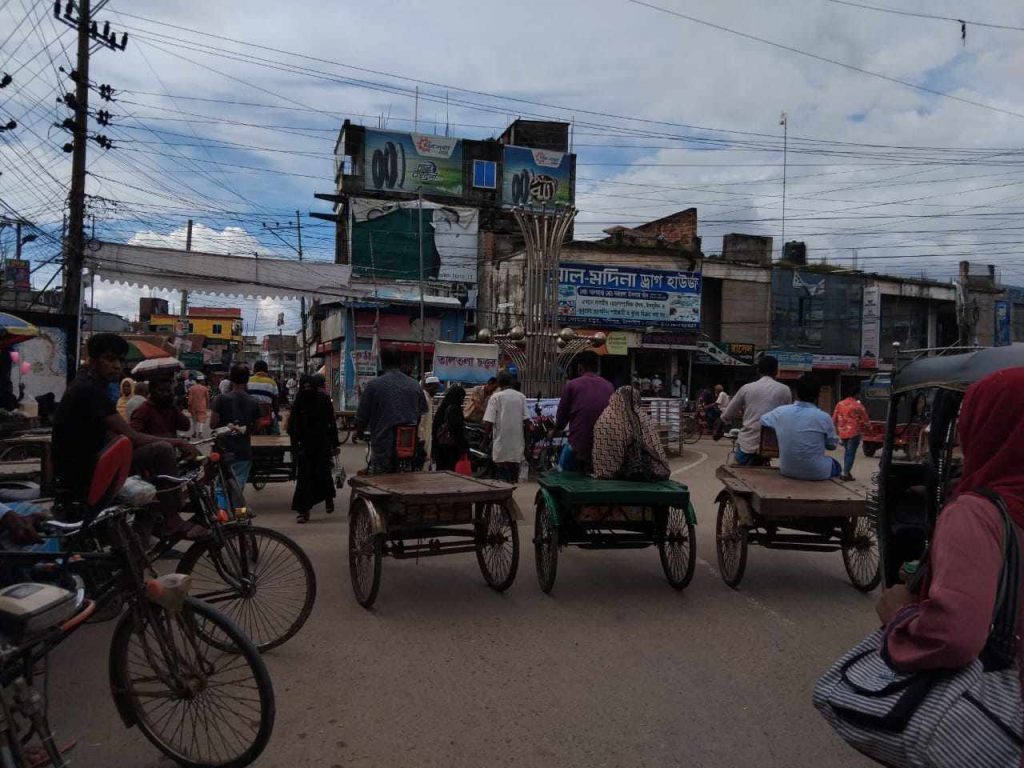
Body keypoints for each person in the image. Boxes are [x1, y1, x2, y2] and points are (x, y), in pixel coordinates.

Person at [876, 369, 1024, 712]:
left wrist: (899, 615)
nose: (959, 433)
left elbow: (954, 636)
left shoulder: (977, 514)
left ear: (989, 427)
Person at [51, 334, 204, 540]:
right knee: (162, 450)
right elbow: (132, 435)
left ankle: (148, 533)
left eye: (120, 360)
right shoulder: (89, 390)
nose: (117, 366)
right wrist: (177, 442)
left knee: (152, 491)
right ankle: (172, 519)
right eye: (110, 359)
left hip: (92, 460)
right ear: (92, 360)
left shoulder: (92, 386)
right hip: (87, 468)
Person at [355, 346, 426, 473]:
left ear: (382, 362)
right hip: (408, 446)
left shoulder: (373, 386)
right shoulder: (415, 384)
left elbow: (361, 418)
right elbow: (419, 415)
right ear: (400, 362)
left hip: (382, 445)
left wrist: (360, 432)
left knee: (381, 484)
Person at [760, 374, 840, 481]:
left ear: (797, 392)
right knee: (837, 466)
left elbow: (763, 420)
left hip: (787, 470)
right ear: (818, 395)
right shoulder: (824, 417)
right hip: (817, 473)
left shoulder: (780, 412)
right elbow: (832, 446)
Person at [719, 355, 792, 465]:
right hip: (771, 446)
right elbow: (787, 418)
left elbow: (727, 414)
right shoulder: (785, 390)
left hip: (747, 443)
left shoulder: (747, 388)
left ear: (758, 370)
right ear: (776, 371)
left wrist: (718, 430)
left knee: (735, 470)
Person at [288, 375, 340, 523]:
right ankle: (304, 511)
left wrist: (335, 444)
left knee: (323, 474)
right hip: (306, 446)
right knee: (304, 479)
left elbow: (331, 423)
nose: (307, 390)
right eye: (304, 387)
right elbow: (293, 426)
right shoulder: (300, 401)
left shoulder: (323, 400)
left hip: (322, 445)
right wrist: (295, 447)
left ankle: (328, 498)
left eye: (309, 387)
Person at [592, 385, 670, 480]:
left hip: (609, 473)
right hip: (644, 472)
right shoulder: (643, 418)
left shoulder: (606, 417)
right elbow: (654, 445)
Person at [554, 351, 614, 472]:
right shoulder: (609, 386)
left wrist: (555, 430)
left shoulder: (572, 385)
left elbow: (561, 416)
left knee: (560, 472)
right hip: (604, 444)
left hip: (578, 444)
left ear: (579, 367)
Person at [210, 364, 262, 494]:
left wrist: (227, 427)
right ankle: (239, 512)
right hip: (243, 450)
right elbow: (257, 427)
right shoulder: (253, 401)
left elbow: (212, 424)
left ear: (231, 379)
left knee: (221, 487)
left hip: (223, 449)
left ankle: (222, 511)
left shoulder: (220, 399)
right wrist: (243, 429)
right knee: (238, 487)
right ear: (247, 380)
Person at [483, 372, 530, 483]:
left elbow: (489, 422)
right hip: (517, 444)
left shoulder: (495, 397)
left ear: (499, 383)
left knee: (501, 476)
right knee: (513, 477)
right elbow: (527, 422)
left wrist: (484, 441)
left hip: (501, 444)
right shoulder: (521, 397)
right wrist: (527, 443)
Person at [832, 381, 870, 481]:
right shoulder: (858, 406)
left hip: (843, 433)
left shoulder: (840, 404)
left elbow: (834, 418)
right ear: (856, 394)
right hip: (854, 433)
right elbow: (865, 421)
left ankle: (846, 472)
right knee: (850, 453)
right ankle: (846, 473)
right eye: (859, 394)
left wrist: (836, 431)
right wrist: (869, 431)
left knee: (847, 452)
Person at [432, 385, 468, 471]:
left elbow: (435, 428)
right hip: (451, 447)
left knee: (441, 469)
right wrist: (464, 447)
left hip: (440, 445)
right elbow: (457, 430)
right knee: (450, 469)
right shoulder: (455, 409)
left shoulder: (442, 409)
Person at [248, 360, 280, 434]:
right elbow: (275, 403)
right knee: (276, 434)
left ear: (255, 369)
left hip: (250, 416)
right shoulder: (272, 383)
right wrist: (277, 415)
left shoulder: (248, 381)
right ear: (266, 370)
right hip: (267, 416)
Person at [418, 375, 440, 469]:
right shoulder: (424, 398)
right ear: (428, 387)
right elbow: (421, 419)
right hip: (422, 436)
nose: (436, 391)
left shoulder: (428, 397)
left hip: (427, 434)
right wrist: (420, 437)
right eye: (434, 388)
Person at [187, 374, 210, 439]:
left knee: (194, 420)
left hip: (193, 406)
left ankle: (194, 433)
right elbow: (207, 398)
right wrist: (208, 405)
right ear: (201, 381)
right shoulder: (205, 388)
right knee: (201, 420)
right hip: (202, 405)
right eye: (203, 380)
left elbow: (190, 398)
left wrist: (189, 405)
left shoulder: (192, 388)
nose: (204, 382)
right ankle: (200, 433)